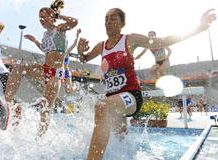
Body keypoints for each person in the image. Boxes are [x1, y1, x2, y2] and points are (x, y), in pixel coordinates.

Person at [77, 8, 216, 159]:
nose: (108, 22)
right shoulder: (101, 46)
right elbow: (84, 58)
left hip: (131, 95)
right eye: (106, 19)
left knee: (102, 106)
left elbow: (162, 41)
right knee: (120, 143)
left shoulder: (130, 40)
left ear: (122, 23)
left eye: (113, 18)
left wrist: (199, 27)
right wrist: (80, 51)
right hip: (114, 99)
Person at [5, 1, 78, 137]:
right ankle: (7, 101)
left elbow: (74, 22)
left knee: (45, 108)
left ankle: (40, 137)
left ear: (53, 16)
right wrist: (35, 41)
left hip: (55, 74)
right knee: (19, 67)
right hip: (44, 68)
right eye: (40, 18)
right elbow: (45, 50)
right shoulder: (45, 34)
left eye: (44, 17)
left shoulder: (60, 29)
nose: (42, 20)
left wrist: (58, 16)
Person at [62, 28, 81, 93]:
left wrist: (77, 34)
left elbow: (75, 44)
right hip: (58, 72)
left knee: (68, 91)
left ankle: (76, 85)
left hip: (66, 72)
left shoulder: (66, 51)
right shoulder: (56, 52)